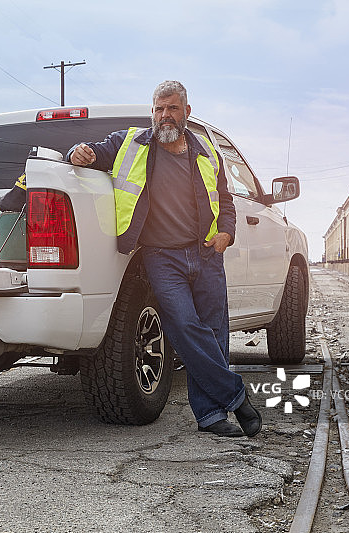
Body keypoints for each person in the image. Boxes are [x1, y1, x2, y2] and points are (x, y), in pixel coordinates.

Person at [67, 81, 261, 437]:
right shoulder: (130, 144)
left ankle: (211, 417)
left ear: (186, 112)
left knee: (216, 332)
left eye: (171, 108)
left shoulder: (207, 154)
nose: (164, 116)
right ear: (151, 112)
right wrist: (78, 153)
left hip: (205, 254)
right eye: (158, 109)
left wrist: (227, 233)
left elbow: (226, 201)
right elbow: (89, 153)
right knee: (184, 326)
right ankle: (236, 396)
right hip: (161, 256)